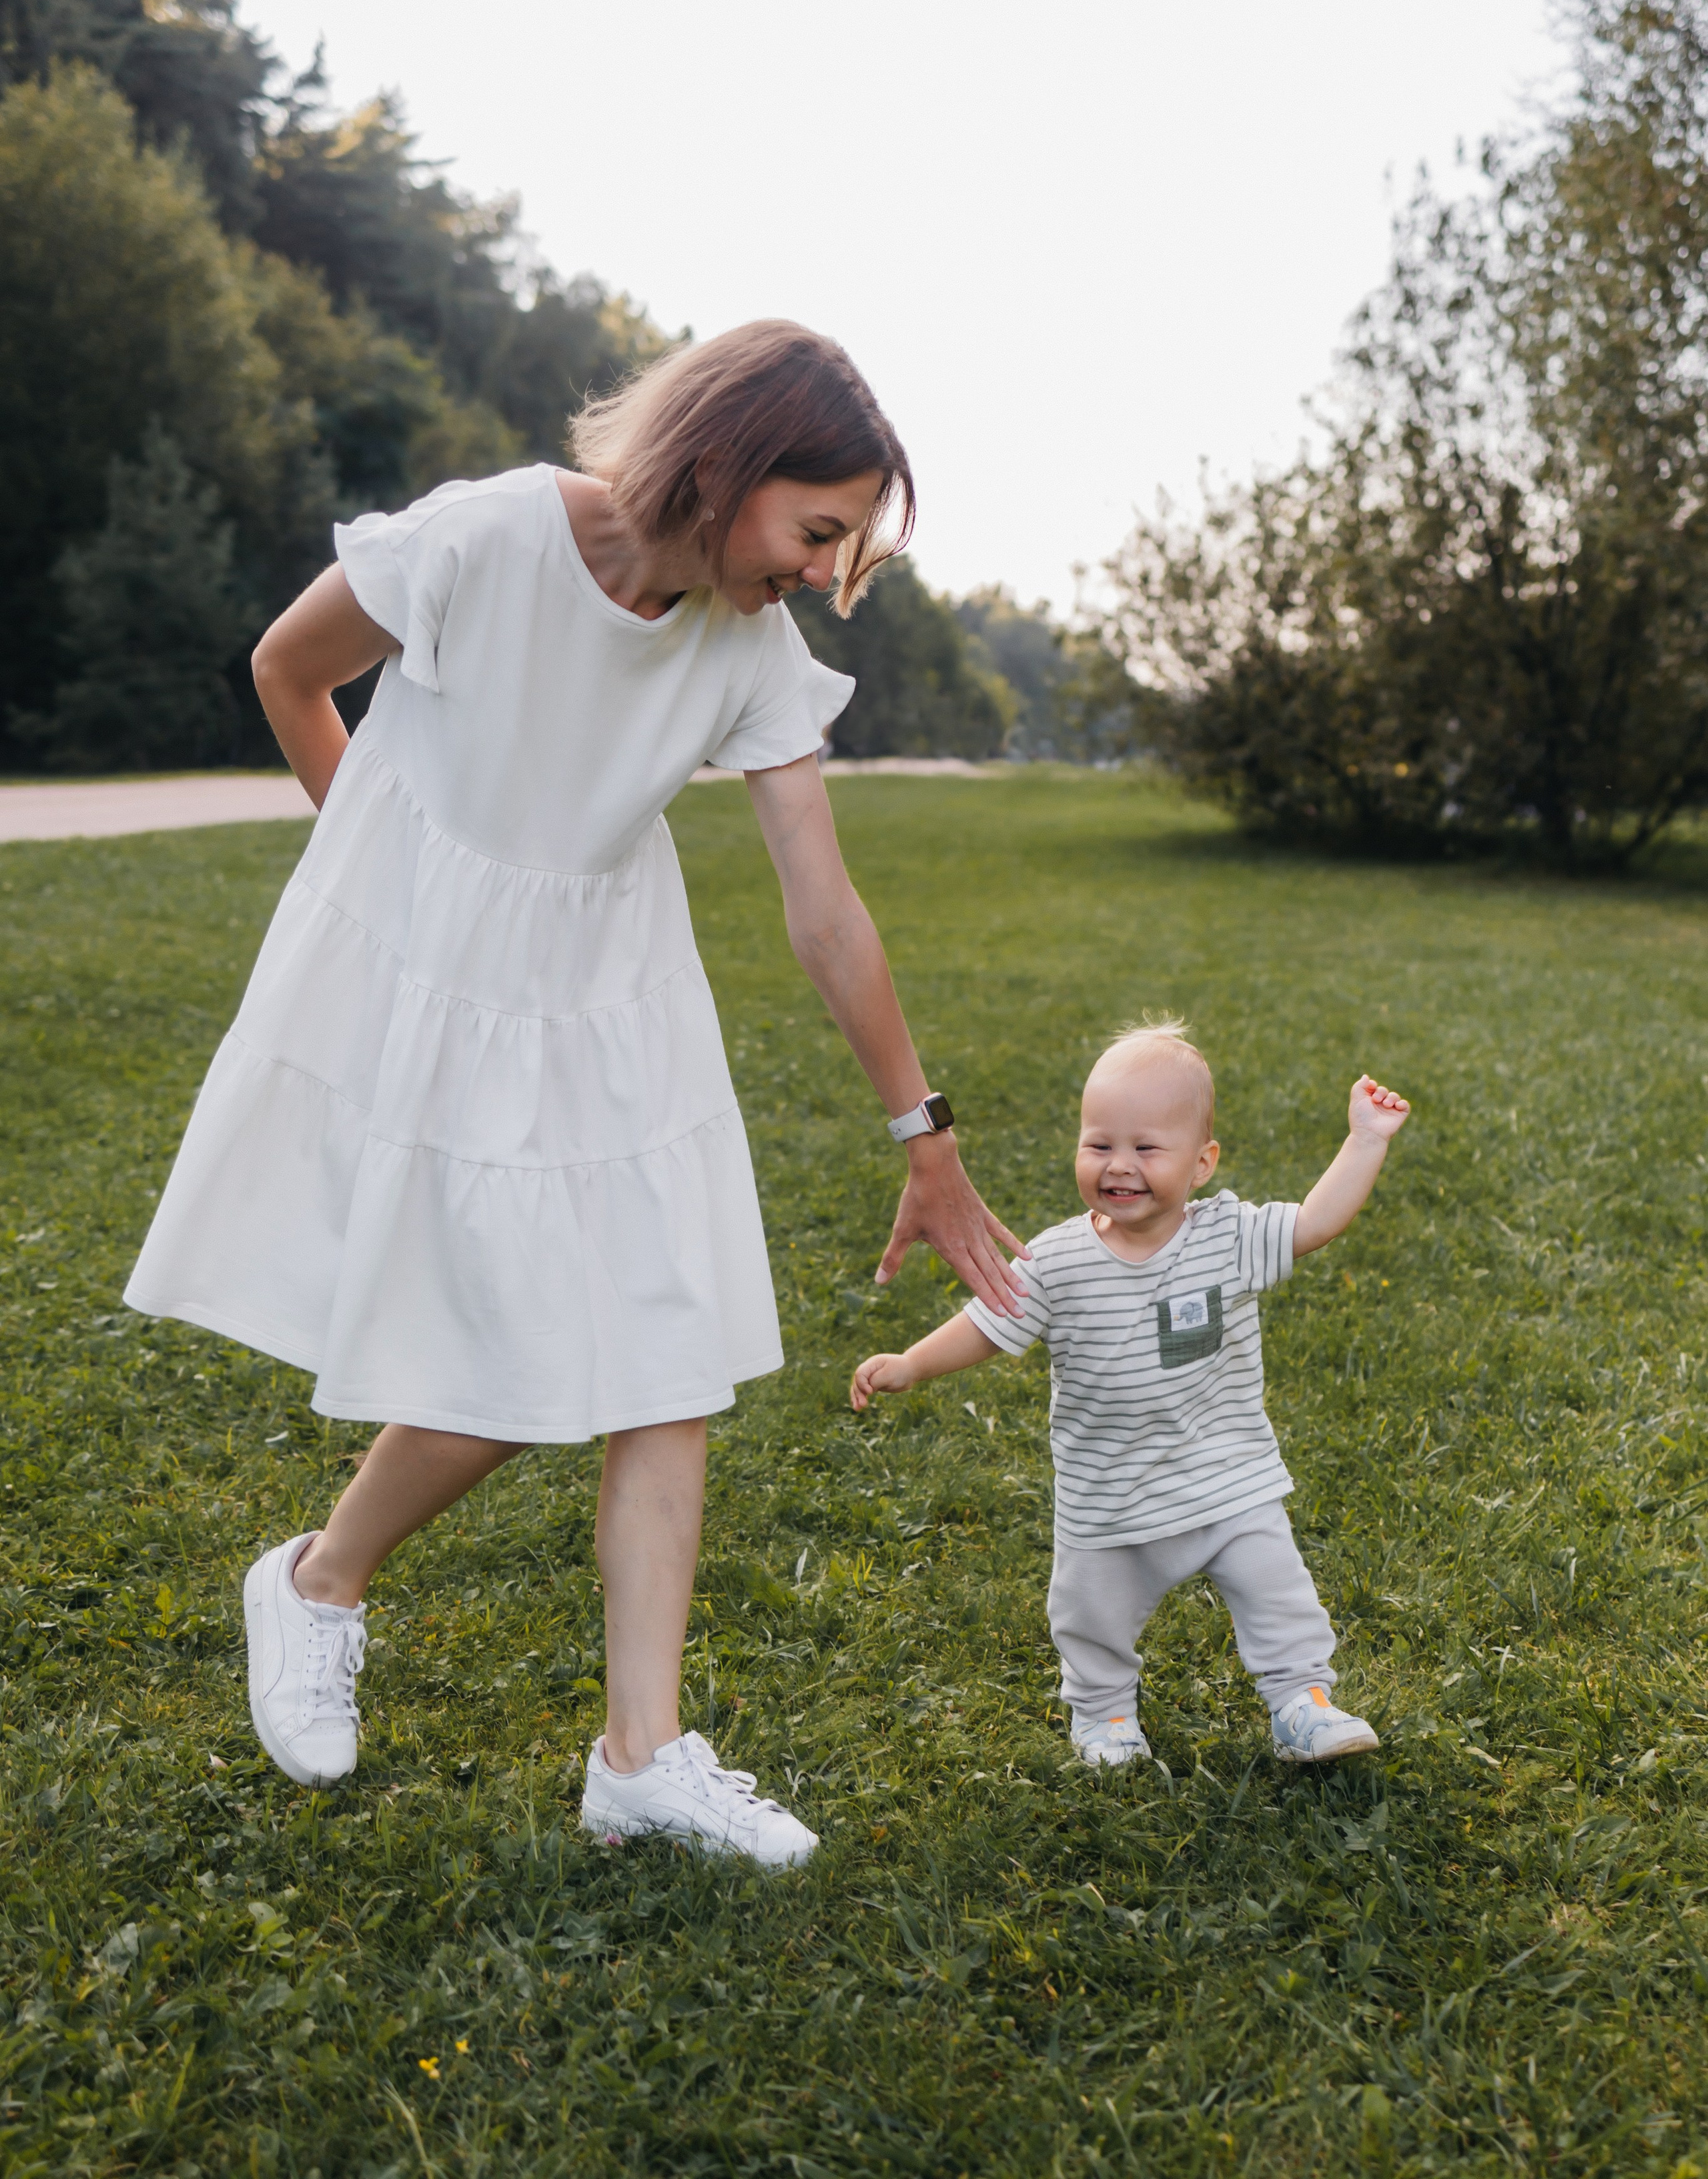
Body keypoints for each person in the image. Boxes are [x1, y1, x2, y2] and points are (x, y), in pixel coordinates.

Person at [126, 320, 1023, 1868]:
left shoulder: (746, 645)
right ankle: (319, 1579)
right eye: (814, 528)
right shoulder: (483, 537)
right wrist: (386, 877)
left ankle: (641, 1752)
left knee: (666, 1340)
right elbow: (289, 665)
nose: (820, 568)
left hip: (619, 994)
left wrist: (920, 1138)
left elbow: (822, 903)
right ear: (728, 465)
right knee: (508, 1337)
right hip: (456, 983)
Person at [849, 1021, 1410, 1767]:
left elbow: (1313, 1223)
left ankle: (1301, 1703)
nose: (1119, 1165)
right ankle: (1104, 1712)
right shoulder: (1055, 1259)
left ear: (1202, 1161)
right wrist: (914, 1364)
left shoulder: (1228, 1237)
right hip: (1107, 1493)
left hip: (1226, 1476)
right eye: (1098, 1144)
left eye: (1146, 1148)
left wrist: (1366, 1138)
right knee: (1090, 1615)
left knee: (1280, 1594)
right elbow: (990, 1320)